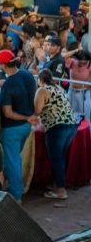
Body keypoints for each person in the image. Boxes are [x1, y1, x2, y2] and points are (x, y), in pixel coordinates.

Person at [0, 50, 37, 201]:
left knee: (11, 163)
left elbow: (8, 113)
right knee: (15, 161)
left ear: (2, 65)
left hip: (13, 128)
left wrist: (26, 117)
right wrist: (30, 117)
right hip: (26, 127)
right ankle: (15, 190)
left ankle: (15, 196)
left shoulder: (8, 86)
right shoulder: (27, 74)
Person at [33, 69, 78, 200]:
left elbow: (37, 111)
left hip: (57, 127)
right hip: (71, 125)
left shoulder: (42, 90)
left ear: (40, 80)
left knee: (56, 159)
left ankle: (61, 191)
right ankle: (59, 184)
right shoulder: (58, 87)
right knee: (60, 157)